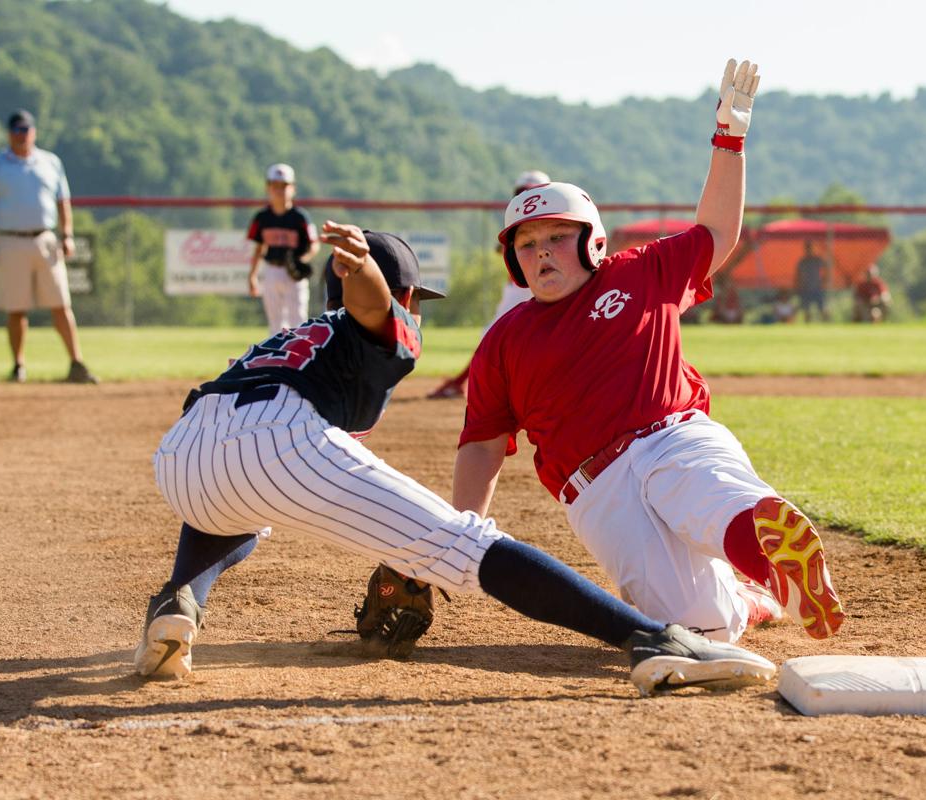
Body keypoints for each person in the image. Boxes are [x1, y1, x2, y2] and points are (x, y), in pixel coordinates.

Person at [132, 222, 777, 697]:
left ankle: (178, 598)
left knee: (233, 503)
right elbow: (373, 309)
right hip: (279, 437)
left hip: (184, 449)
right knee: (461, 543)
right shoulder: (384, 321)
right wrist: (367, 276)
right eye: (416, 298)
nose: (416, 311)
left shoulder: (288, 334)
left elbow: (232, 438)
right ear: (406, 293)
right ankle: (650, 639)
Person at [453, 59, 846, 646]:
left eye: (557, 236)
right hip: (595, 490)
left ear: (592, 239)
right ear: (514, 260)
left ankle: (773, 558)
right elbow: (483, 447)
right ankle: (749, 600)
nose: (541, 253)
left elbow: (716, 233)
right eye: (528, 244)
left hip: (672, 436)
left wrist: (730, 141)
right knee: (699, 628)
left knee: (705, 492)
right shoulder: (504, 341)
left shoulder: (639, 273)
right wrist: (455, 534)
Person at [0, 109, 97, 384]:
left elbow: (62, 201)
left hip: (45, 239)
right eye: (16, 130)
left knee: (61, 304)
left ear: (34, 132)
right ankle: (19, 366)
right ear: (9, 133)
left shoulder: (50, 161)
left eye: (25, 129)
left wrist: (67, 234)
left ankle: (76, 362)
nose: (21, 135)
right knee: (16, 308)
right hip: (8, 239)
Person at [427, 170, 549, 399]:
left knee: (494, 336)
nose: (526, 197)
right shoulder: (531, 218)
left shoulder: (533, 218)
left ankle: (461, 383)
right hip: (524, 287)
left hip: (523, 287)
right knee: (516, 339)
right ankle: (466, 382)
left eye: (530, 192)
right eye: (523, 193)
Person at [246, 163, 320, 334]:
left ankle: (298, 358)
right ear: (268, 188)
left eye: (284, 186)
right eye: (275, 185)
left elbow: (314, 245)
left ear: (292, 188)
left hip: (294, 273)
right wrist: (252, 275)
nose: (279, 190)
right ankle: (278, 359)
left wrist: (301, 260)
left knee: (298, 321)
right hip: (272, 269)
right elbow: (259, 247)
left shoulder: (300, 217)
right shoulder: (262, 217)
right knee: (275, 322)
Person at [793, 240, 830, 322]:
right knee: (806, 310)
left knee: (822, 308)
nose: (808, 250)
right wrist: (797, 286)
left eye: (809, 248)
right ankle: (807, 327)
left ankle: (828, 324)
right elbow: (797, 275)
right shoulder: (802, 262)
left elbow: (826, 267)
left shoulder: (817, 260)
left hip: (817, 288)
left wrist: (825, 279)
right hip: (805, 289)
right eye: (807, 248)